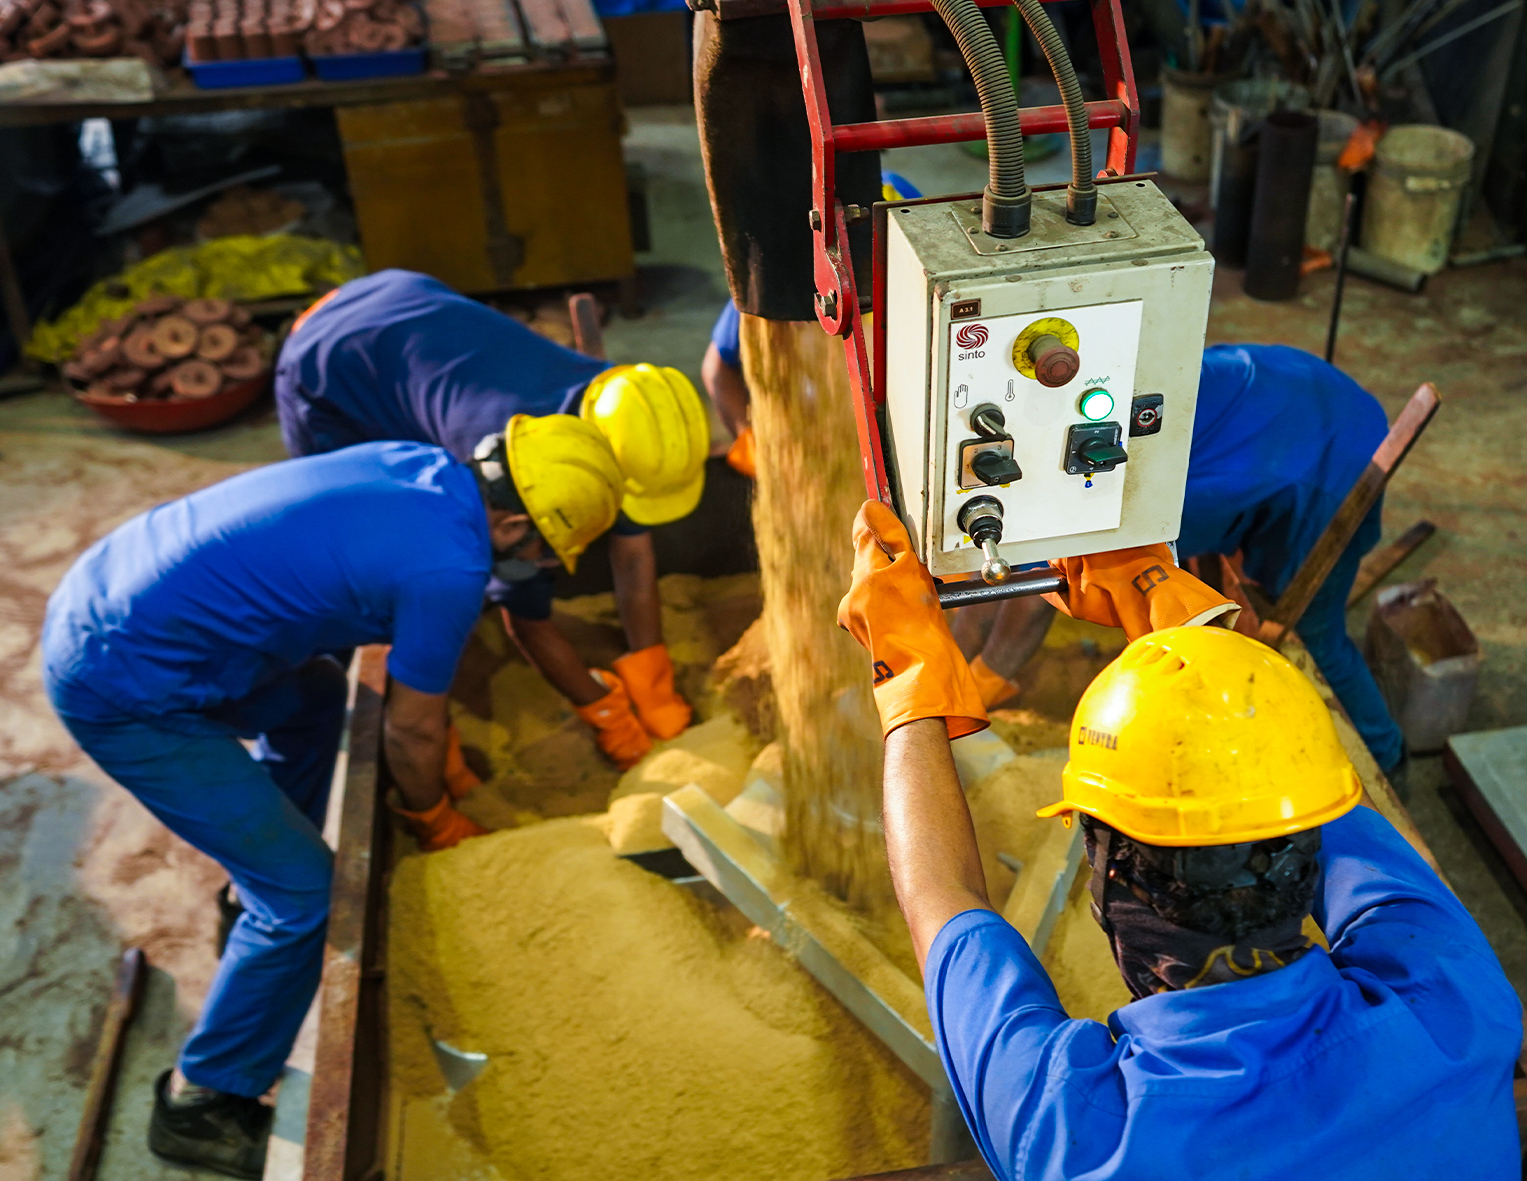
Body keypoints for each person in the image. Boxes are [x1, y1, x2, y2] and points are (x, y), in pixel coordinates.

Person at [836, 500, 1526, 1181]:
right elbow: (1296, 778)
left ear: (1105, 876)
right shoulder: (1455, 998)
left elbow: (943, 896)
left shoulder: (1084, 1140)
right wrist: (1189, 636)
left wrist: (904, 676)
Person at [41, 422, 622, 1179]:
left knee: (315, 696)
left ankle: (254, 889)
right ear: (511, 522)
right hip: (120, 683)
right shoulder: (449, 567)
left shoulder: (416, 465)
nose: (540, 565)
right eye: (543, 548)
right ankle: (202, 1101)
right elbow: (413, 733)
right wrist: (434, 819)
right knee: (309, 898)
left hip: (107, 588)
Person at [277, 269, 711, 768]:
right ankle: (355, 729)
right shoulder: (504, 468)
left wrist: (650, 671)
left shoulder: (618, 406)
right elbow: (525, 619)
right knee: (365, 559)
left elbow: (633, 552)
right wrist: (603, 709)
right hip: (325, 359)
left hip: (403, 297)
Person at [953, 342, 1407, 776]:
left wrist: (984, 681)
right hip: (1290, 386)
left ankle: (1384, 752)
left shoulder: (1126, 499)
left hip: (1327, 461)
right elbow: (1002, 569)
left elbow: (1030, 598)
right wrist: (957, 657)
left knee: (1314, 629)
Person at [702, 171, 923, 478]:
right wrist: (750, 441)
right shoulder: (776, 283)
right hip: (815, 442)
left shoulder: (902, 211)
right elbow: (717, 370)